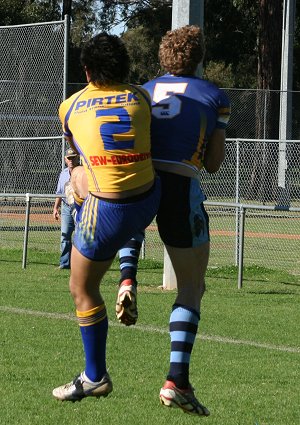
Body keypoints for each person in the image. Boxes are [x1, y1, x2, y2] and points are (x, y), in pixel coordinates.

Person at [52, 32, 160, 401]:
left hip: (108, 210)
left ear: (86, 70)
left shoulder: (69, 107)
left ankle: (94, 375)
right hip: (149, 199)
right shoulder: (142, 97)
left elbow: (78, 149)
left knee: (81, 289)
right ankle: (127, 274)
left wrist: (76, 194)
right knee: (100, 186)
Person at [142, 25, 231, 416]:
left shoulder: (143, 91)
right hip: (181, 188)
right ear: (197, 58)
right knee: (192, 288)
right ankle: (176, 378)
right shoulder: (213, 95)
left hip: (140, 184)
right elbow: (212, 165)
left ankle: (126, 276)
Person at [52, 148, 80, 269]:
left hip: (80, 207)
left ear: (77, 158)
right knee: (65, 236)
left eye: (73, 157)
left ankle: (79, 265)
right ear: (65, 159)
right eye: (69, 158)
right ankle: (64, 263)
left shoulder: (83, 172)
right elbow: (59, 192)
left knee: (80, 237)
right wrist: (55, 208)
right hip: (66, 207)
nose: (71, 160)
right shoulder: (63, 173)